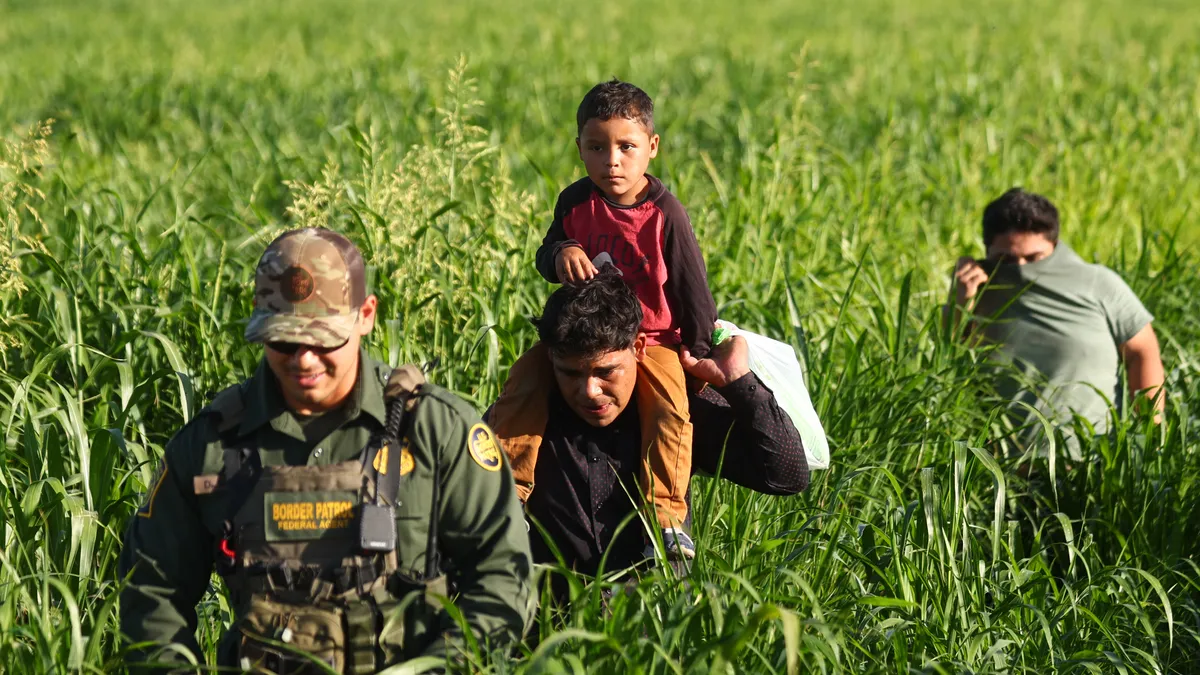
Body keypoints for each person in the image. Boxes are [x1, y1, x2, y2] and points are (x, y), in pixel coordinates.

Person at [119, 228, 533, 672]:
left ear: (366, 315)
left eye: (324, 340)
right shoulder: (211, 445)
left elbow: (503, 577)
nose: (304, 361)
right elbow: (150, 594)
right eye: (283, 342)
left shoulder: (435, 430)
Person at [490, 79, 719, 559]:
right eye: (597, 147)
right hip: (582, 338)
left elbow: (692, 287)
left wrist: (696, 354)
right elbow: (547, 250)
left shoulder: (664, 213)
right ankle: (506, 499)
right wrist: (562, 253)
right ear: (580, 149)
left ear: (651, 148)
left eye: (626, 147)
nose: (611, 160)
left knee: (669, 411)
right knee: (524, 384)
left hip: (649, 339)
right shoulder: (575, 202)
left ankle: (668, 519)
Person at [489, 271, 808, 579]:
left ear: (639, 347)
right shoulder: (522, 420)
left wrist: (739, 383)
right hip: (547, 622)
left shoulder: (675, 412)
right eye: (570, 374)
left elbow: (787, 475)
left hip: (652, 624)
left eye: (605, 372)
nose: (589, 391)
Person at [947, 188, 1165, 456]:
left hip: (1090, 466)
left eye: (1034, 258)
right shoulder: (978, 288)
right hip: (999, 474)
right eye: (1007, 259)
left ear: (1054, 246)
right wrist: (960, 303)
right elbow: (947, 368)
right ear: (987, 249)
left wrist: (1149, 437)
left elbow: (1143, 351)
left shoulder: (1097, 283)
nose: (1021, 266)